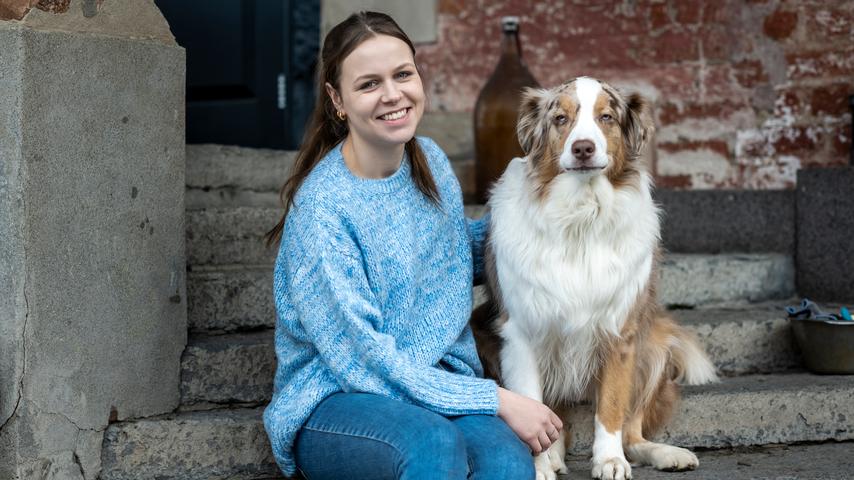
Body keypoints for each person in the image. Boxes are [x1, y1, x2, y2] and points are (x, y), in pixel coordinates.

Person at [262, 11, 562, 480]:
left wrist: (539, 209)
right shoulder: (323, 211)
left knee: (506, 462)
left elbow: (454, 254)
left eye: (403, 74)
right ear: (337, 99)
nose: (393, 94)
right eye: (369, 84)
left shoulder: (430, 161)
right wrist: (496, 397)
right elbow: (365, 362)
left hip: (437, 385)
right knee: (433, 445)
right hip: (338, 399)